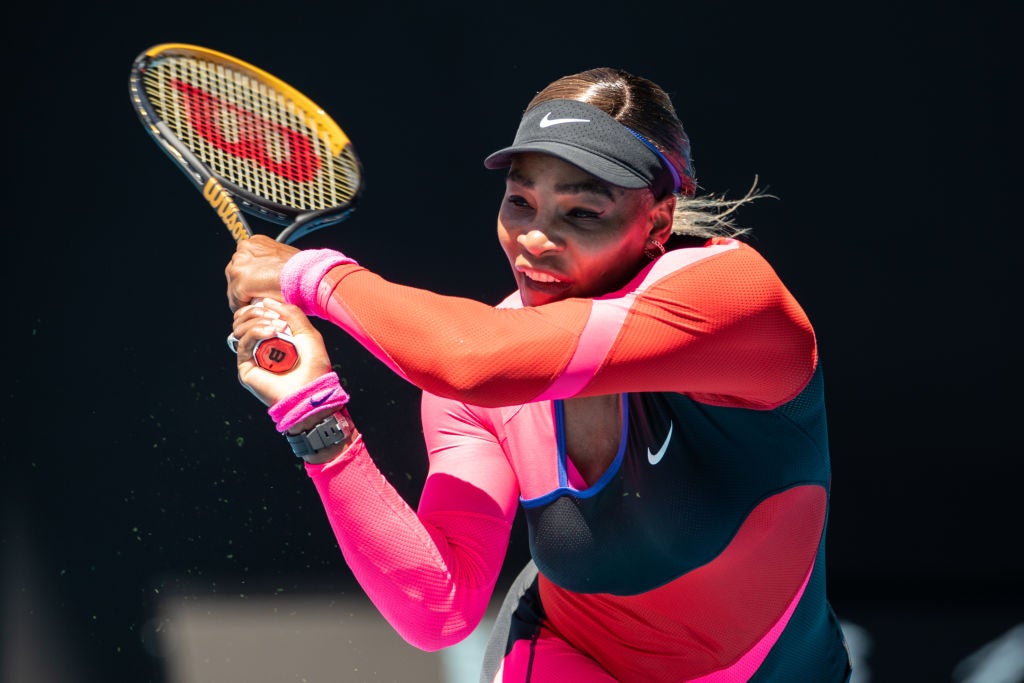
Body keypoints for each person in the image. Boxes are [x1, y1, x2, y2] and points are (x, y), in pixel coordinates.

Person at [225, 67, 853, 682]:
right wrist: (313, 415)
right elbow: (439, 611)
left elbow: (474, 361)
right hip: (567, 658)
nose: (534, 240)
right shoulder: (475, 381)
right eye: (520, 202)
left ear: (658, 222)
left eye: (582, 213)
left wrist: (308, 275)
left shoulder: (734, 298)